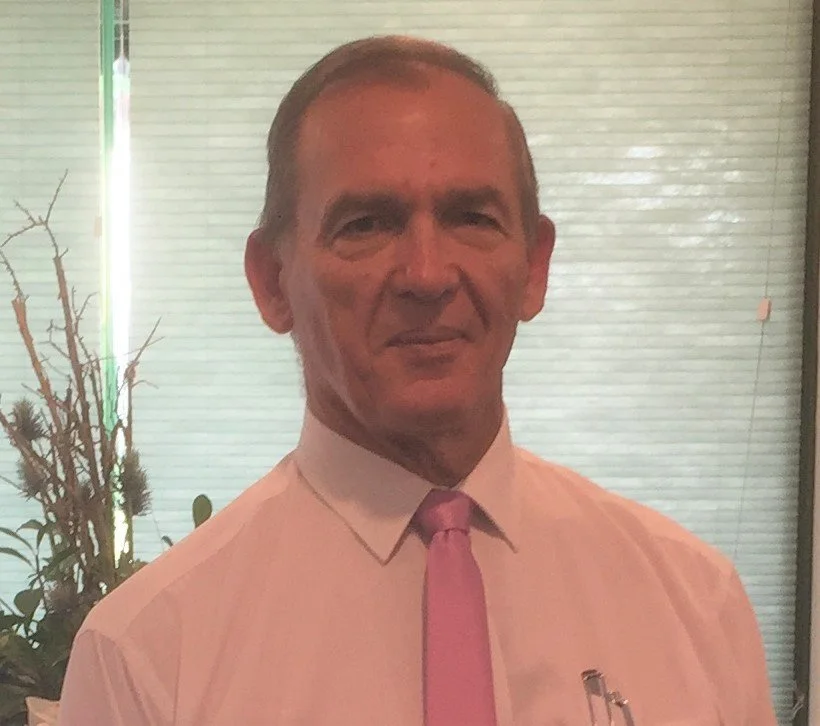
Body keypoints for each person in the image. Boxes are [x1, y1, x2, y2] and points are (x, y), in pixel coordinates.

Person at [58, 36, 777, 726]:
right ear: (273, 281)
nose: (428, 275)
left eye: (473, 218)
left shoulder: (695, 605)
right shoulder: (149, 656)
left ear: (534, 266)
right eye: (367, 224)